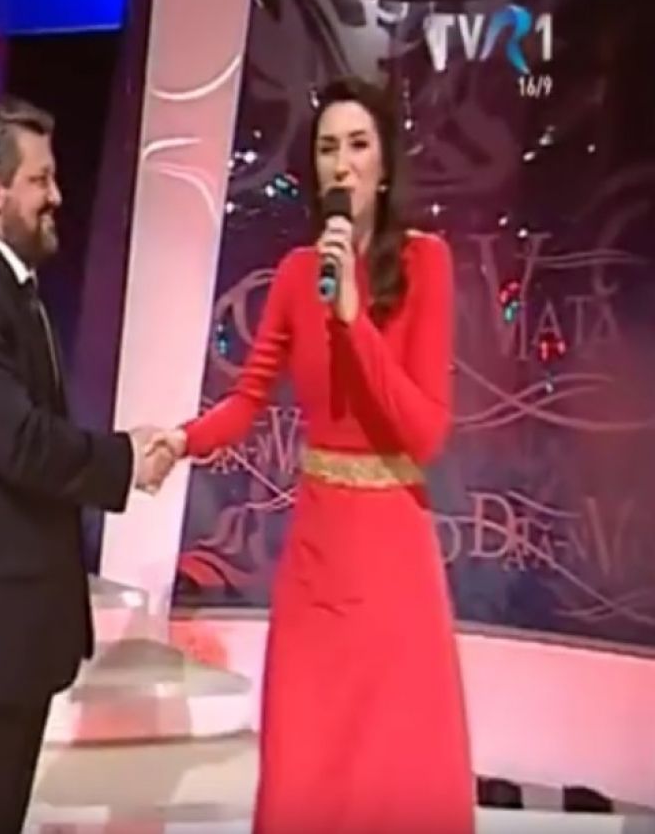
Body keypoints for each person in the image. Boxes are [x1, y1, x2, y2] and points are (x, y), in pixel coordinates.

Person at [148, 76, 474, 833]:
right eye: (328, 148)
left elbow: (425, 431)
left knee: (391, 769)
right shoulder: (299, 274)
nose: (342, 162)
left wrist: (354, 320)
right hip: (318, 558)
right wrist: (182, 440)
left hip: (393, 557)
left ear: (384, 166)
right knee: (306, 765)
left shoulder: (426, 264)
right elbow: (248, 398)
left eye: (358, 145)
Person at [0, 94, 164, 834]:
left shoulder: (16, 293)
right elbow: (19, 441)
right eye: (40, 180)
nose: (57, 196)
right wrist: (124, 460)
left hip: (13, 638)